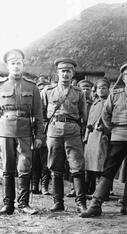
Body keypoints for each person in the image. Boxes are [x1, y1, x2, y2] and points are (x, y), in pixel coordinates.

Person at [81, 62, 127, 217]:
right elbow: (105, 115)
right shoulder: (115, 95)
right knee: (108, 171)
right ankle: (95, 205)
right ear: (124, 78)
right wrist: (112, 130)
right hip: (118, 137)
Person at [0, 49, 44, 215]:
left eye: (19, 63)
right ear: (8, 66)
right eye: (13, 63)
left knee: (24, 167)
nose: (16, 66)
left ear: (23, 64)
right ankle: (8, 204)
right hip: (5, 131)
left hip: (25, 131)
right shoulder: (1, 86)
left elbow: (38, 114)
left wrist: (39, 135)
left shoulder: (32, 87)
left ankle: (23, 204)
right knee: (7, 167)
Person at [41, 58, 87, 212]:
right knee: (55, 166)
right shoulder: (48, 91)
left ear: (73, 74)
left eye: (69, 71)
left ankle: (81, 203)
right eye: (63, 71)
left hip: (73, 131)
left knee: (77, 166)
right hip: (54, 130)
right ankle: (58, 202)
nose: (65, 74)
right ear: (58, 73)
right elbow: (41, 113)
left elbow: (83, 115)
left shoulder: (79, 93)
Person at [83, 78, 110, 195]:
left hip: (102, 136)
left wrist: (105, 127)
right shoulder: (95, 103)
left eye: (104, 88)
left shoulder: (109, 102)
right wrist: (86, 135)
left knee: (101, 164)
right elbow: (89, 120)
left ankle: (103, 192)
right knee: (90, 163)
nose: (102, 90)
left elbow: (112, 119)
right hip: (92, 136)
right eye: (99, 88)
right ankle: (91, 189)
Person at [32, 77, 51, 195]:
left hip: (48, 129)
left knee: (46, 161)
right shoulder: (33, 102)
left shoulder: (49, 100)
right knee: (35, 160)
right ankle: (34, 185)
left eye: (43, 88)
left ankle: (44, 186)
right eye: (39, 89)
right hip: (34, 132)